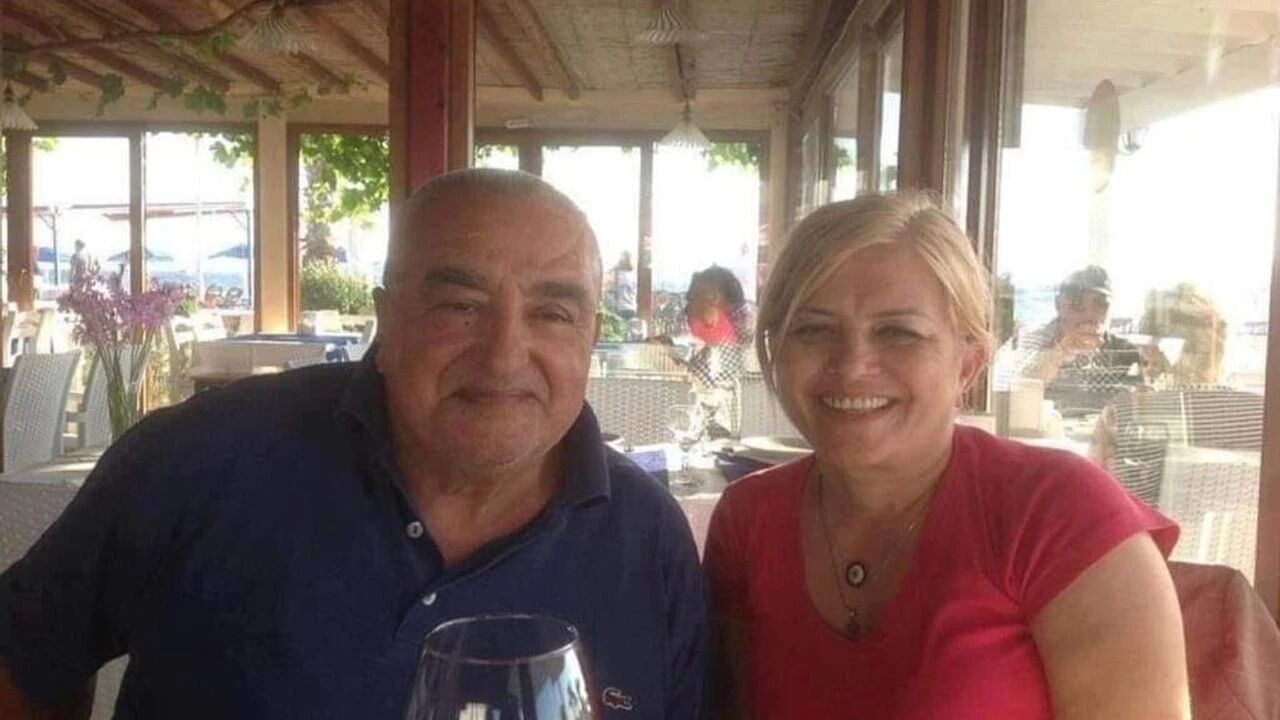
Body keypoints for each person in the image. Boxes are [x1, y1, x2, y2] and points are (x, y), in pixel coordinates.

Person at [0, 169, 707, 719]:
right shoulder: (196, 460)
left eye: (553, 312)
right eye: (460, 306)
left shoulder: (649, 540)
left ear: (590, 337)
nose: (503, 356)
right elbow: (23, 659)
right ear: (386, 322)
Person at [704, 193, 1188, 718]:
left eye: (898, 333)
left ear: (968, 364)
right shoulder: (748, 520)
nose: (852, 365)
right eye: (814, 329)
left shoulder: (1060, 512)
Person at [1090, 283, 1264, 505]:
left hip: (1144, 525)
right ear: (1218, 348)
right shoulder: (1261, 413)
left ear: (1151, 352)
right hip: (1237, 527)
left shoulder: (1125, 413)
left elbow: (1094, 493)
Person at [1001, 265, 1142, 414]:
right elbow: (1011, 396)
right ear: (1058, 305)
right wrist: (1057, 355)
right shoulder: (1033, 340)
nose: (1089, 315)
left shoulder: (1125, 352)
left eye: (1100, 305)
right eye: (1077, 304)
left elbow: (1141, 405)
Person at [604, 250, 638, 320]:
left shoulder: (616, 274)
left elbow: (610, 291)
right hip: (632, 308)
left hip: (619, 309)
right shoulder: (634, 275)